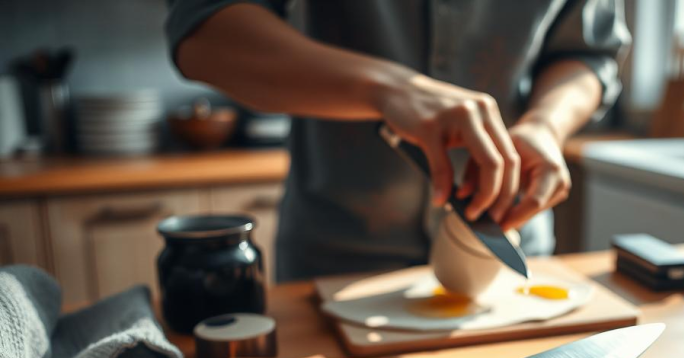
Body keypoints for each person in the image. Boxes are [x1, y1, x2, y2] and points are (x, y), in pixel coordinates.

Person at [166, 0, 630, 281]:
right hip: (333, 264)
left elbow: (588, 54)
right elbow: (202, 30)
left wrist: (546, 124)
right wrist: (388, 89)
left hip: (511, 243)